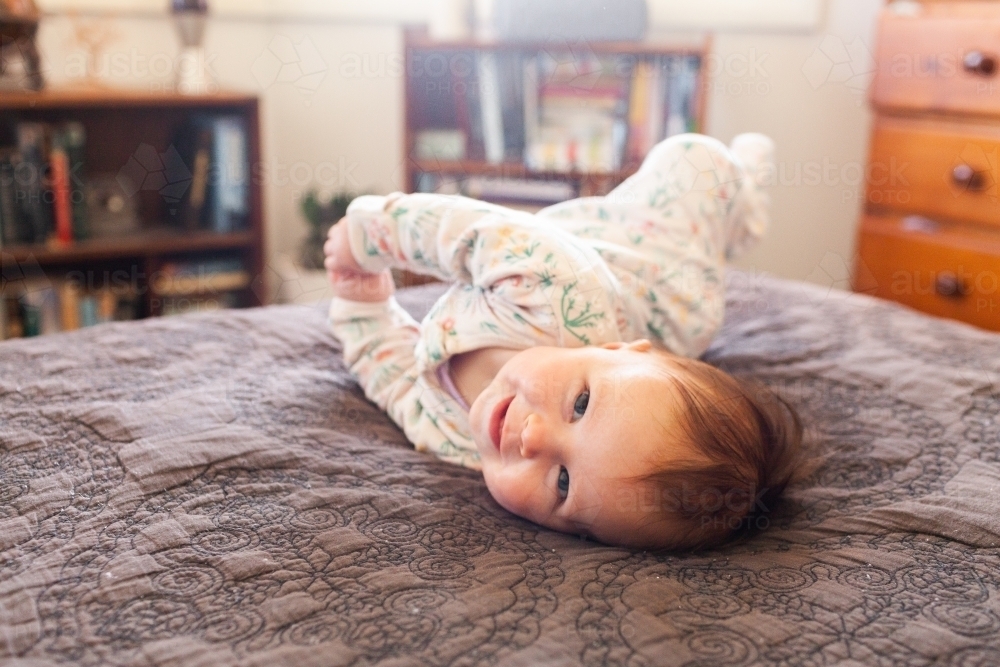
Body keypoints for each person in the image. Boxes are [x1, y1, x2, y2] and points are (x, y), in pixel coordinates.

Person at [324, 133, 802, 551]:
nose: (532, 437)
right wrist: (372, 235)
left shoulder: (455, 441)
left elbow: (390, 375)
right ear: (618, 349)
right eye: (581, 404)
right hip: (672, 286)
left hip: (638, 285)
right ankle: (747, 193)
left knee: (710, 224)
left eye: (564, 483)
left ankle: (736, 218)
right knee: (695, 159)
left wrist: (362, 302)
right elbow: (467, 230)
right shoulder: (555, 285)